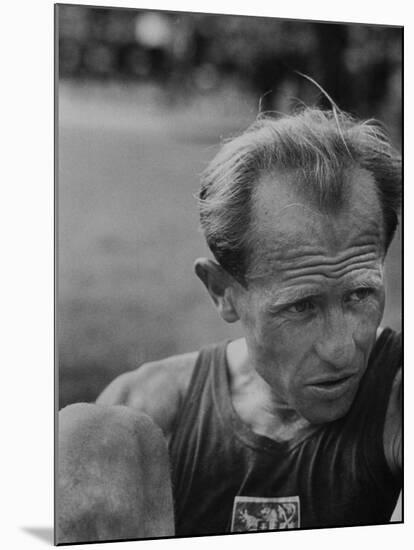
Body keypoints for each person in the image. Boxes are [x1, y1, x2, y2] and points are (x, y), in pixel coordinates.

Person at [57, 106, 402, 542]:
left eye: (359, 295)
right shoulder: (150, 412)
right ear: (222, 290)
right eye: (300, 307)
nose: (340, 350)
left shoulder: (396, 398)